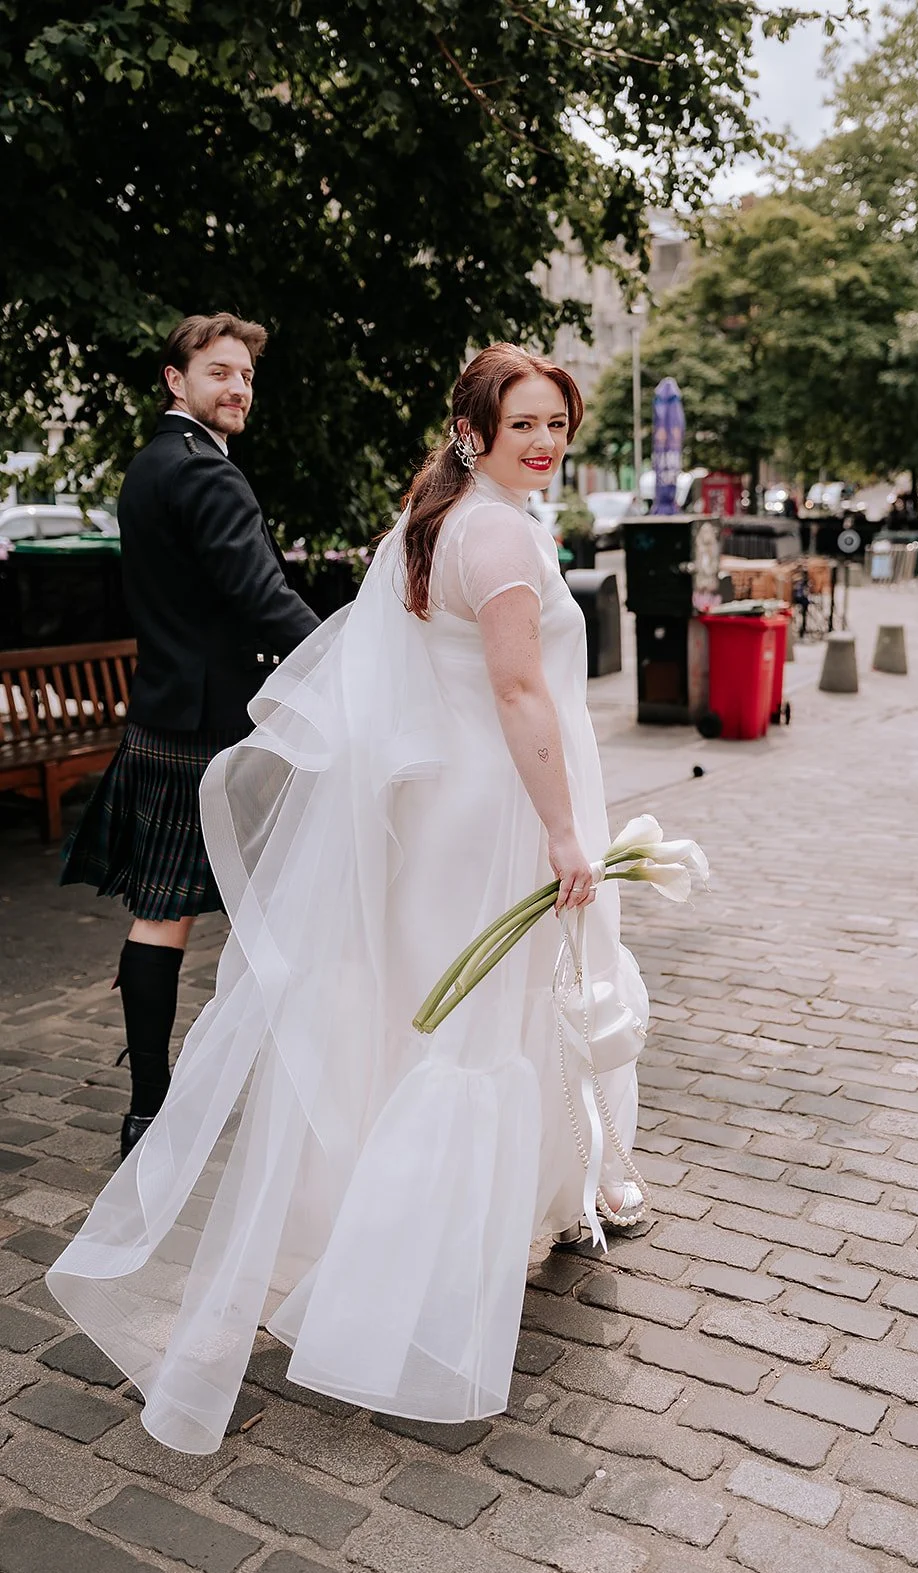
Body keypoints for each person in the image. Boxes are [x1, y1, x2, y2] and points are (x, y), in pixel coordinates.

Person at [47, 343, 649, 1454]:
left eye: (556, 423)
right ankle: (436, 1253)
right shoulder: (495, 536)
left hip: (441, 808)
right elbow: (519, 690)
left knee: (418, 1009)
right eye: (522, 423)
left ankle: (437, 1217)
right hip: (496, 808)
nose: (544, 442)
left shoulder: (433, 520)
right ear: (473, 429)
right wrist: (567, 832)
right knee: (477, 1018)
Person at [61, 313, 320, 1159]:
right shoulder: (206, 471)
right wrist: (341, 663)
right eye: (219, 372)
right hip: (217, 729)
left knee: (160, 915)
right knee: (285, 900)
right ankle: (291, 1092)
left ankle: (148, 1109)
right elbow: (263, 598)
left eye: (245, 375)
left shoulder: (151, 464)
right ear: (177, 381)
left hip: (163, 715)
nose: (237, 387)